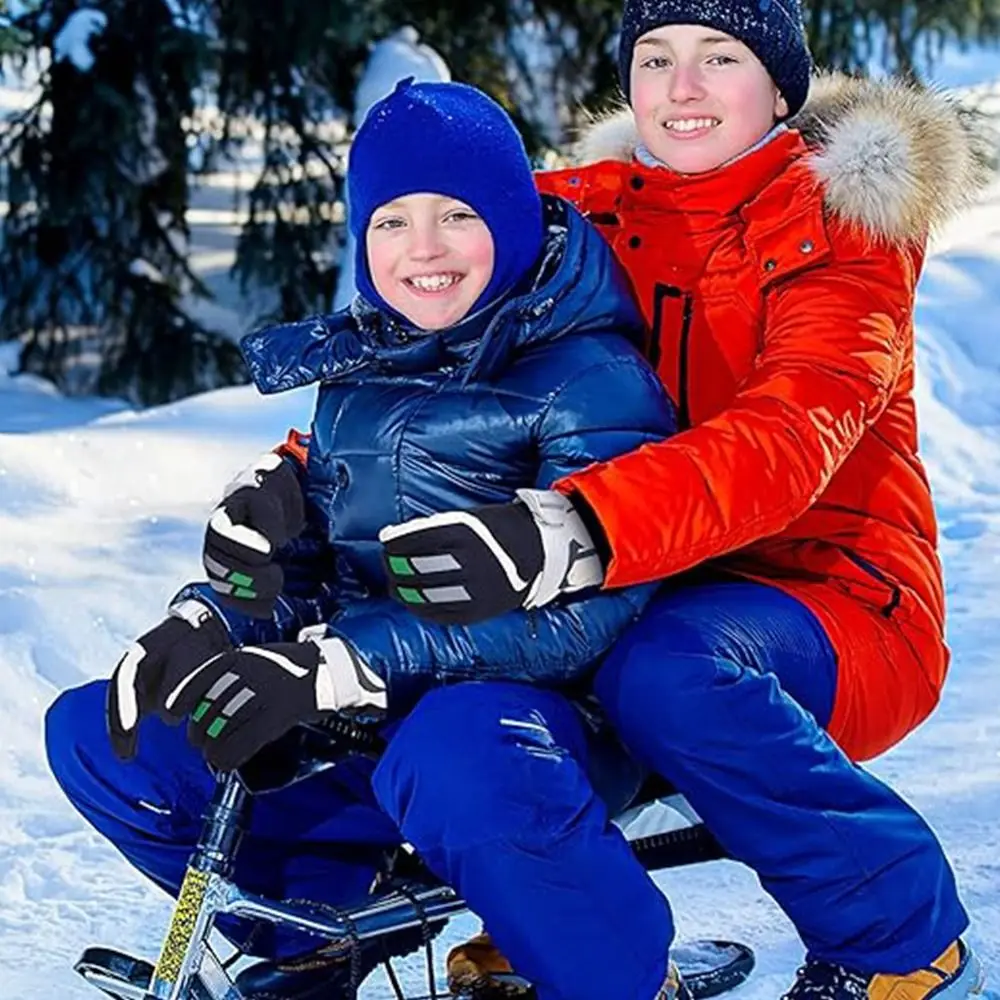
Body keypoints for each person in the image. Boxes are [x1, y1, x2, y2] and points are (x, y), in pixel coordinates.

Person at [370, 4, 992, 1000]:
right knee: (475, 692)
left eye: (718, 58)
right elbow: (412, 342)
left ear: (779, 90)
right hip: (635, 583)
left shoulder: (843, 230)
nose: (681, 87)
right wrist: (290, 476)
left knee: (663, 667)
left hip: (834, 597)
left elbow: (784, 443)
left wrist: (578, 527)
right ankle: (561, 932)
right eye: (656, 60)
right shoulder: (579, 212)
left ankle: (901, 940)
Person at [44, 79, 678, 998]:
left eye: (456, 214)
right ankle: (320, 924)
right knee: (106, 731)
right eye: (391, 222)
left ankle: (619, 976)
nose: (423, 249)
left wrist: (340, 663)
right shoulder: (361, 372)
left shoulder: (592, 377)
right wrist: (215, 621)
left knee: (453, 750)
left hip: (539, 724)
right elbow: (326, 568)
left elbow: (585, 617)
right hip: (375, 703)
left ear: (510, 217)